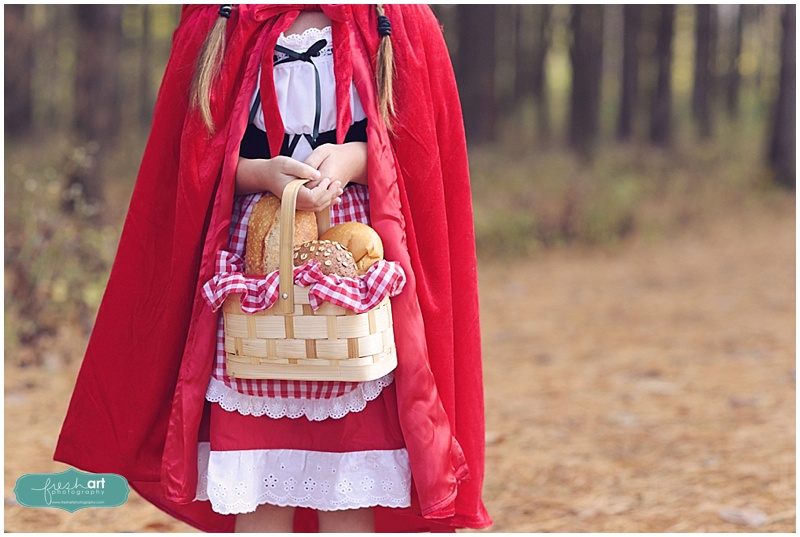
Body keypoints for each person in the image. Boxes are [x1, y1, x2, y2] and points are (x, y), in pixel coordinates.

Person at [55, 4, 490, 533]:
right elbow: (189, 161)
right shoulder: (222, 19)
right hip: (255, 263)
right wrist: (256, 172)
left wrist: (356, 158)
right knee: (259, 486)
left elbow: (426, 156)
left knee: (350, 480)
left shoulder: (393, 19)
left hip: (352, 270)